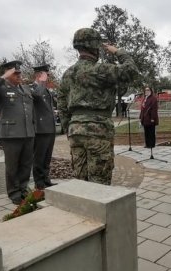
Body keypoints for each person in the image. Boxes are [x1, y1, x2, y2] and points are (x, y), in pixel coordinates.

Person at [58, 28, 139, 185]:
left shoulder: (68, 73)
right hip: (98, 130)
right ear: (95, 46)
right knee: (99, 183)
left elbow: (61, 102)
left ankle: (79, 209)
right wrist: (118, 51)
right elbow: (131, 71)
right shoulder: (101, 69)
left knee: (79, 180)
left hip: (75, 131)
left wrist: (68, 128)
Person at [0, 60, 35, 205]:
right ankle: (14, 192)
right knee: (12, 165)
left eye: (19, 73)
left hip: (28, 132)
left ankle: (23, 188)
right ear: (7, 74)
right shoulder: (1, 88)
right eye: (15, 73)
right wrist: (2, 78)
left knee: (26, 164)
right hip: (11, 133)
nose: (19, 75)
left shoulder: (25, 88)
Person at [31, 64, 57, 189]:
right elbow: (37, 95)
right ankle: (39, 182)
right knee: (39, 158)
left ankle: (46, 179)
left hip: (50, 128)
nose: (48, 76)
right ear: (38, 75)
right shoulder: (32, 87)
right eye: (45, 74)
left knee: (47, 157)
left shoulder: (45, 88)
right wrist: (41, 82)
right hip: (40, 129)